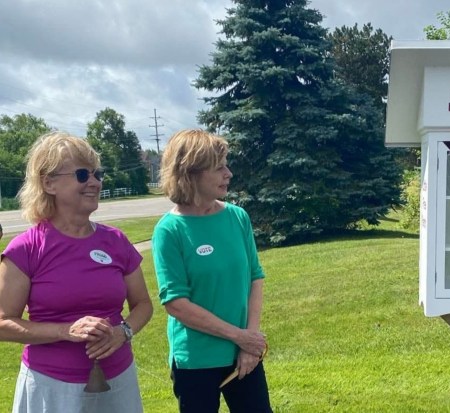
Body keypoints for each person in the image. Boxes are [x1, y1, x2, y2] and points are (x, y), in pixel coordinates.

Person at [0, 131, 153, 413]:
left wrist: (124, 332)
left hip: (118, 381)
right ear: (49, 183)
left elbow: (143, 304)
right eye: (83, 175)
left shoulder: (116, 241)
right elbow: (3, 323)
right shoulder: (26, 248)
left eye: (98, 174)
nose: (95, 182)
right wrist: (64, 331)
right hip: (51, 389)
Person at [152, 129, 272, 413]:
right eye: (219, 168)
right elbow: (176, 304)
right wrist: (238, 336)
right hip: (196, 360)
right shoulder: (169, 230)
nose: (228, 173)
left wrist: (249, 342)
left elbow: (255, 277)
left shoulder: (237, 217)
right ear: (190, 174)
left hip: (244, 352)